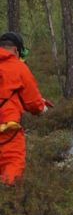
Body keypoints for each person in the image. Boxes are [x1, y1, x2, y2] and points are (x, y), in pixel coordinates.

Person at [0, 32, 50, 185]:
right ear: (16, 50)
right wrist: (42, 108)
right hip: (7, 130)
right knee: (12, 166)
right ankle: (7, 203)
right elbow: (34, 104)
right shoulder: (19, 67)